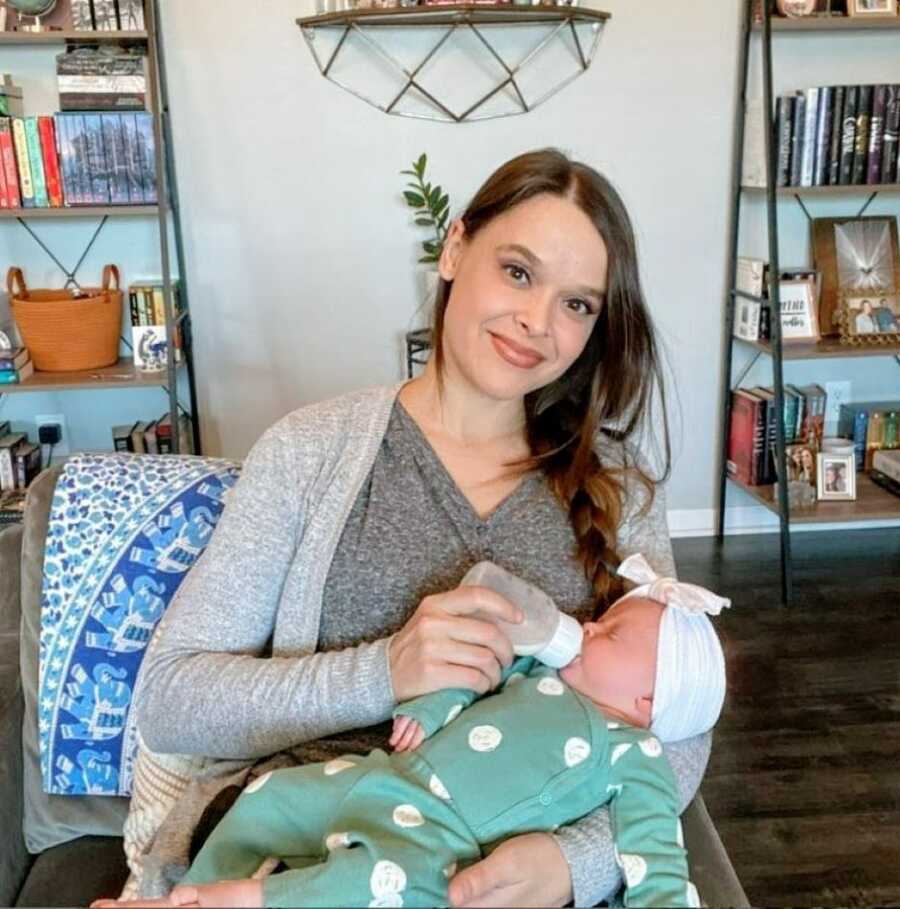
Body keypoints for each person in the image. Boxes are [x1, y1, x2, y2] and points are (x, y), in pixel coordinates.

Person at [119, 148, 711, 909]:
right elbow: (171, 699)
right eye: (520, 272)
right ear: (456, 248)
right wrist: (385, 671)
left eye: (577, 304)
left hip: (506, 862)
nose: (537, 321)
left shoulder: (620, 487)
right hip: (305, 853)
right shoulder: (311, 451)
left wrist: (575, 863)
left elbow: (684, 716)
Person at [91, 556, 728, 909]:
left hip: (443, 839)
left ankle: (244, 902)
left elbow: (655, 849)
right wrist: (426, 703)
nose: (587, 629)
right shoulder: (539, 667)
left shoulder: (636, 750)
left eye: (610, 634)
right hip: (382, 773)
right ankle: (190, 893)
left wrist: (570, 868)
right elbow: (474, 668)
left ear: (649, 699)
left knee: (376, 885)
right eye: (598, 621)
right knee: (269, 800)